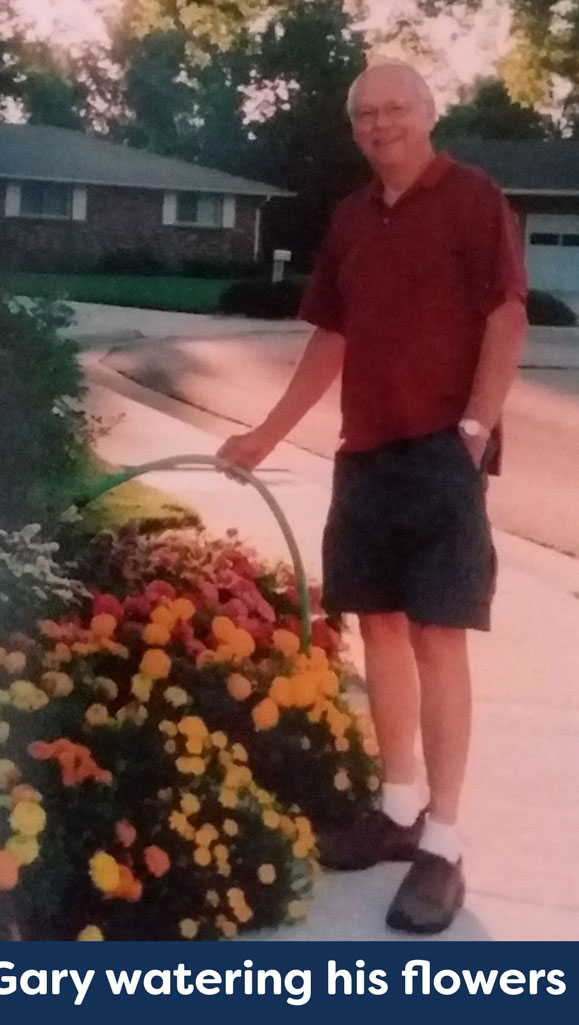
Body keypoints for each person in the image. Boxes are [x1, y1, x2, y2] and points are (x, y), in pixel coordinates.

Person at [216, 59, 528, 934]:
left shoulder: (472, 198)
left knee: (437, 637)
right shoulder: (352, 218)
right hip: (365, 457)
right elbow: (331, 338)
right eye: (364, 113)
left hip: (440, 455)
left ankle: (444, 842)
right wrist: (265, 435)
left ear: (429, 113)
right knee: (379, 630)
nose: (380, 123)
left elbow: (506, 314)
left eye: (395, 108)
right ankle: (396, 809)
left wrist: (473, 429)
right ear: (353, 127)